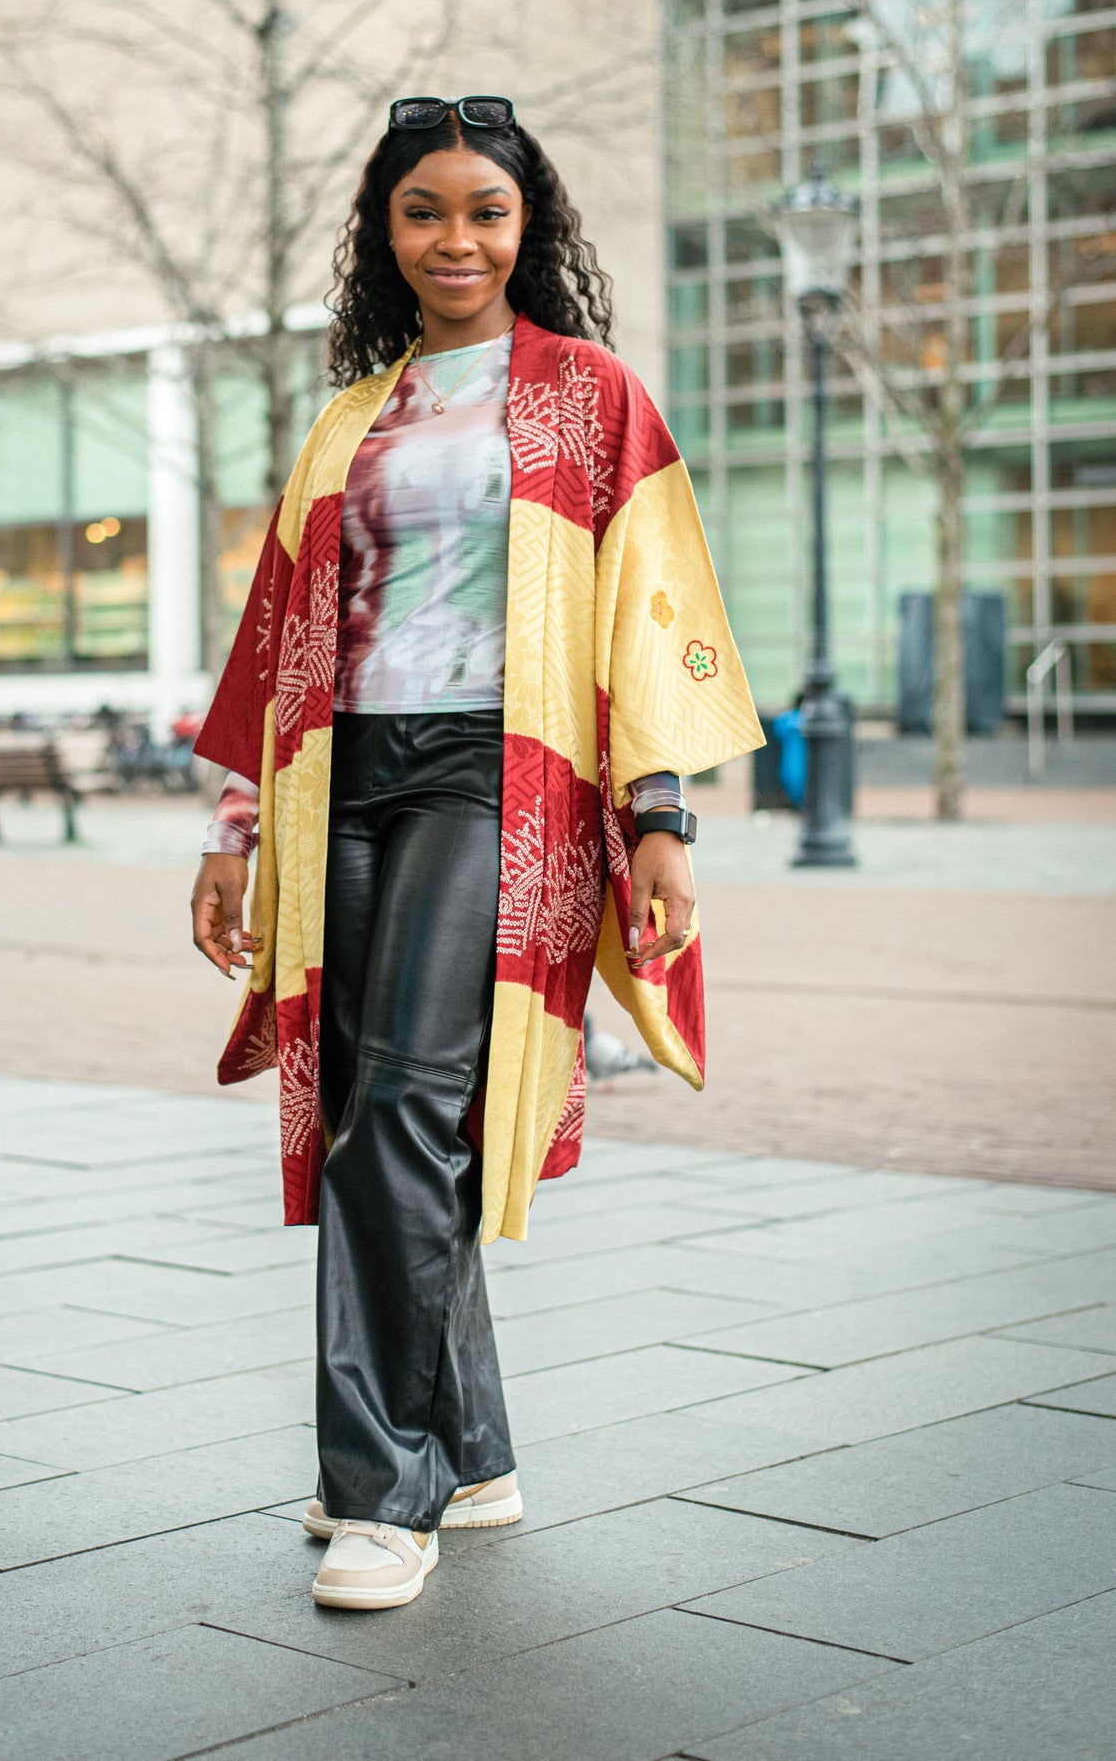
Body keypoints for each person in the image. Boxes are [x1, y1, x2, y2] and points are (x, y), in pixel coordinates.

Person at [190, 95, 762, 1612]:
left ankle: (382, 1493)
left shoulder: (590, 397)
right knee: (367, 1117)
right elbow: (278, 635)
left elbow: (647, 610)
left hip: (494, 779)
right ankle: (475, 1450)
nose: (456, 238)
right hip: (341, 781)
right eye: (424, 211)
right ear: (384, 232)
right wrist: (236, 825)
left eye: (486, 212)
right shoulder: (351, 415)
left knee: (407, 1105)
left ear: (530, 228)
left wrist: (658, 820)